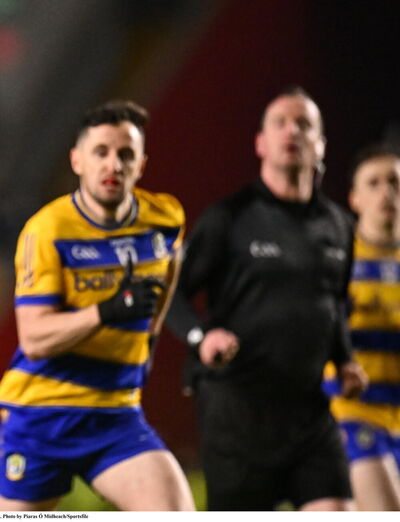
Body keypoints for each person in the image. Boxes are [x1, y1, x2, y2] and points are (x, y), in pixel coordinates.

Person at [167, 86, 368, 511]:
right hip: (237, 413)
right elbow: (173, 296)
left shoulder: (339, 226)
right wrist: (202, 338)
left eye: (304, 124)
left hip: (308, 413)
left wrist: (345, 359)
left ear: (321, 145)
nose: (292, 131)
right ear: (260, 143)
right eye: (280, 122)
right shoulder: (229, 217)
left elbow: (332, 305)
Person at [0, 100, 195, 511]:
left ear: (141, 164)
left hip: (115, 415)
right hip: (41, 416)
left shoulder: (166, 218)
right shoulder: (47, 230)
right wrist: (107, 310)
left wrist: (150, 341)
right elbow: (34, 338)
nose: (113, 164)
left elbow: (165, 282)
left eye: (126, 155)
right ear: (77, 160)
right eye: (101, 152)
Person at [323, 145, 400, 510]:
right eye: (374, 183)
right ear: (354, 198)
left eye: (395, 182)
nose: (386, 192)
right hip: (353, 415)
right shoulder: (336, 258)